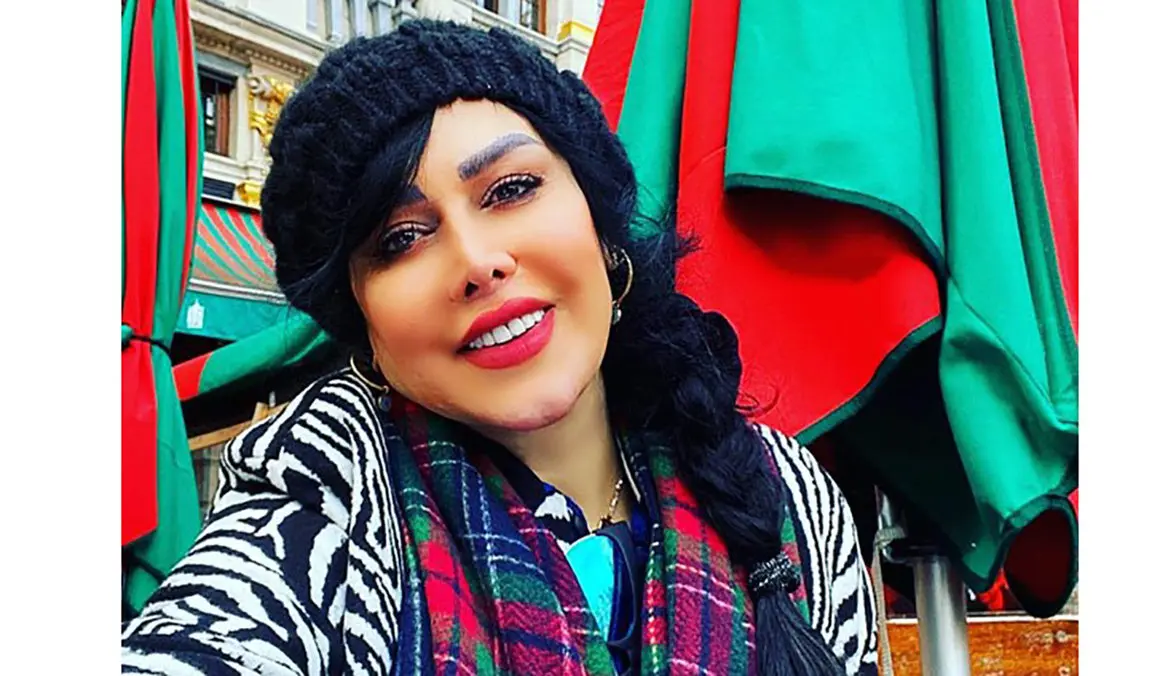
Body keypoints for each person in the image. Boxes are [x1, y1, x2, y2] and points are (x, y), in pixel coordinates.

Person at [122, 20, 879, 676]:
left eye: (511, 189)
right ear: (366, 329)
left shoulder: (790, 500)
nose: (478, 261)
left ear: (600, 224)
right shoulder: (323, 499)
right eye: (401, 239)